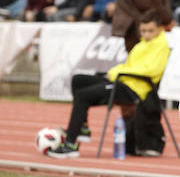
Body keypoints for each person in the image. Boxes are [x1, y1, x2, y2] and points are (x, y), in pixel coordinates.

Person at [48, 10, 170, 159]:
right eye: (143, 31)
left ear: (160, 29)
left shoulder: (161, 45)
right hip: (122, 82)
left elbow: (152, 70)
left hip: (134, 90)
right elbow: (129, 65)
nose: (146, 34)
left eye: (150, 31)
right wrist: (116, 72)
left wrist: (118, 72)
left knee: (82, 95)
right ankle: (83, 128)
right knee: (78, 80)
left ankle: (70, 144)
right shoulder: (141, 45)